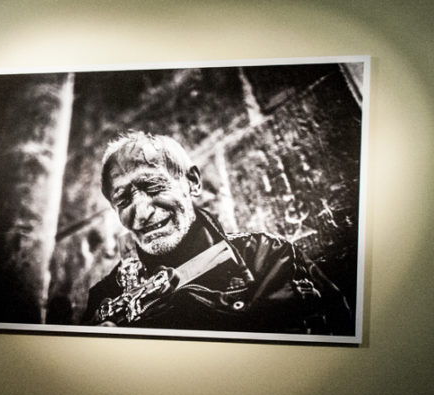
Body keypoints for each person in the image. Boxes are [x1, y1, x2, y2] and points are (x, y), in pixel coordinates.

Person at [83, 131, 353, 335]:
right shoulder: (104, 296)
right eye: (123, 200)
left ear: (193, 182)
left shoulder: (266, 257)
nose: (141, 213)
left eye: (153, 187)